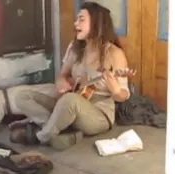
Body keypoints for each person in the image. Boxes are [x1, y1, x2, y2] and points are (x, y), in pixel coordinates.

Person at [8, 2, 131, 150]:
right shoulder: (75, 47)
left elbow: (123, 95)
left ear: (97, 23)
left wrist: (116, 91)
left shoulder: (114, 54)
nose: (75, 23)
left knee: (70, 99)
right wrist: (61, 82)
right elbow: (63, 75)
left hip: (98, 115)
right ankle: (56, 130)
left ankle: (42, 136)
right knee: (22, 96)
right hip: (69, 103)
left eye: (81, 19)